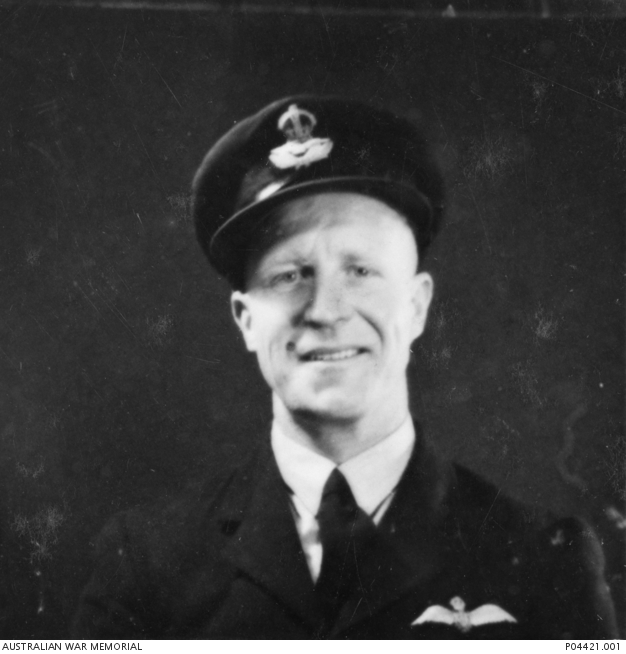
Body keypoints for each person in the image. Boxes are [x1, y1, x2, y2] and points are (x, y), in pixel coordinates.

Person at [72, 96, 618, 639]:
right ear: (245, 319)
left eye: (360, 270)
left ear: (416, 306)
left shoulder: (547, 561)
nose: (326, 310)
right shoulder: (145, 565)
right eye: (290, 275)